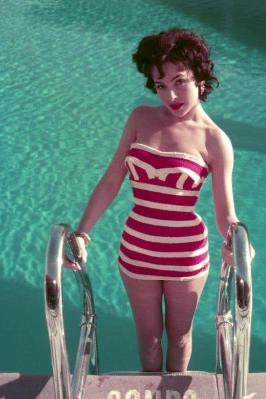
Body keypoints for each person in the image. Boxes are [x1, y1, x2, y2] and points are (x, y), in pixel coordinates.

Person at [65, 28, 241, 373]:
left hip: (185, 254)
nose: (171, 94)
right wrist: (82, 234)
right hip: (138, 248)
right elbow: (111, 180)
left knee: (178, 337)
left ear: (201, 78)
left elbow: (225, 214)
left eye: (180, 81)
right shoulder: (140, 118)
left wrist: (239, 241)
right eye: (161, 85)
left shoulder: (216, 141)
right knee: (148, 339)